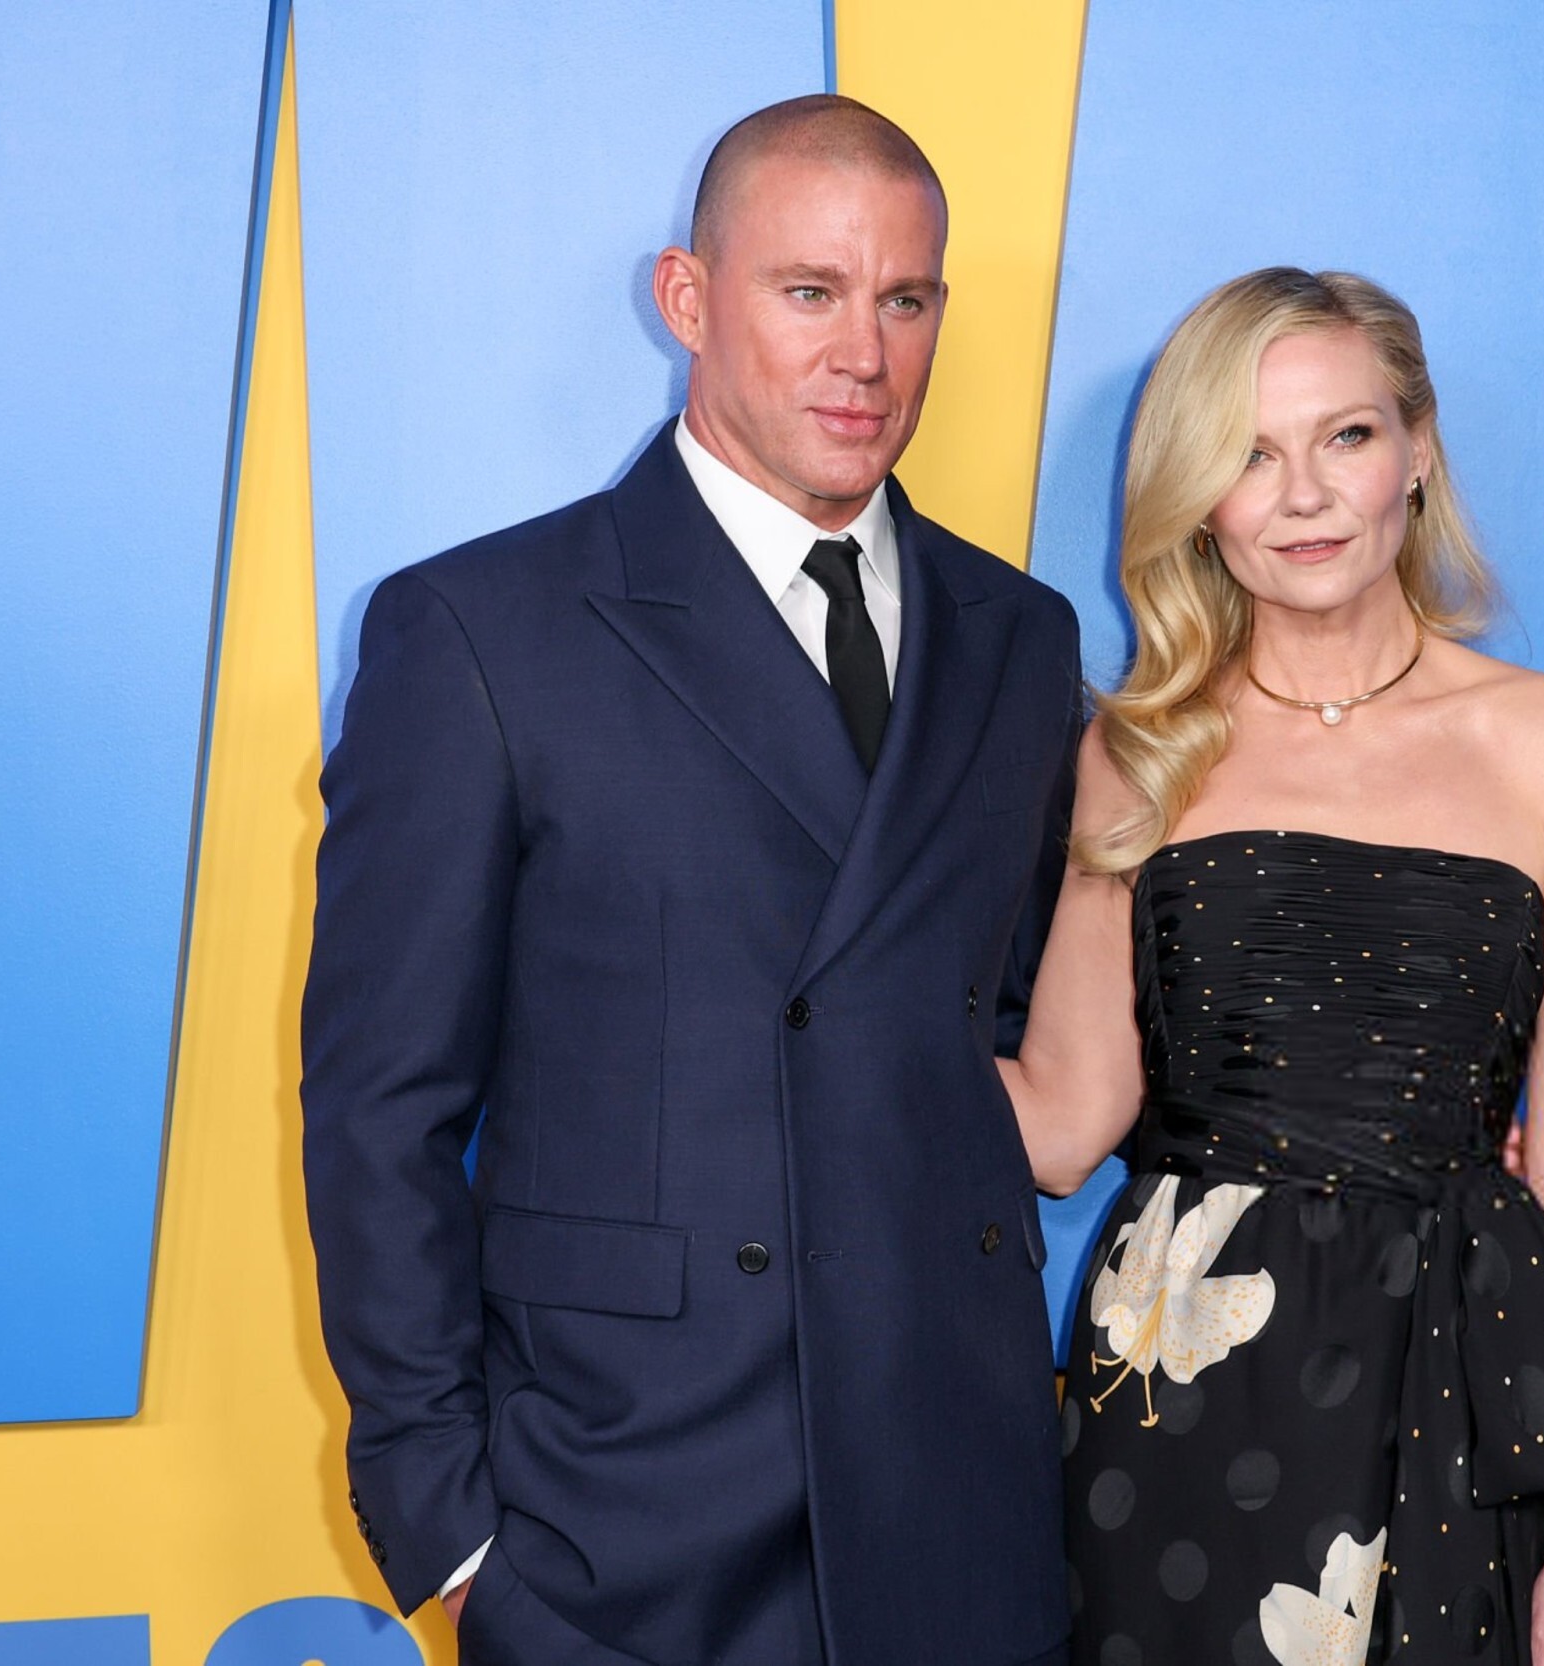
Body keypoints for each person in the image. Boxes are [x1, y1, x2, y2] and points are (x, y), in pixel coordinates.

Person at [301, 95, 1083, 1666]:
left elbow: (994, 1033)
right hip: (629, 1516)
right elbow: (382, 1108)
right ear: (687, 299)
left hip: (958, 1497)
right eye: (809, 291)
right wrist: (456, 1533)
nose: (864, 354)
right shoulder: (484, 632)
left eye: (905, 299)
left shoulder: (1019, 638)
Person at [1004, 268, 1544, 1666]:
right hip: (1178, 1401)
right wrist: (806, 1015)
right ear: (1198, 499)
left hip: (1455, 1385)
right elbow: (1060, 1123)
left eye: (1344, 436)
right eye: (1248, 454)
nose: (1302, 495)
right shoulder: (1141, 751)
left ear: (1416, 451)